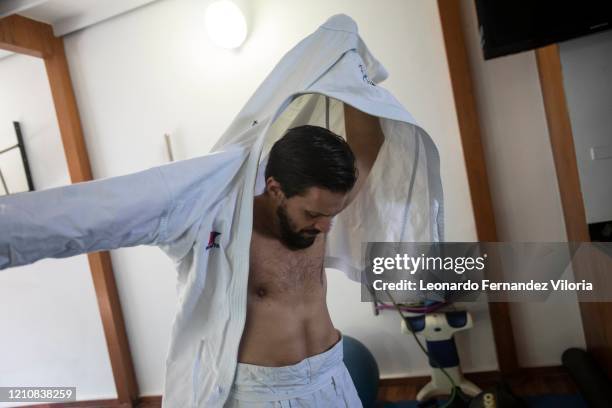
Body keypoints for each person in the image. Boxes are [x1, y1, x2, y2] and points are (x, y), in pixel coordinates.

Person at [227, 103, 384, 407]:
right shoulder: (230, 229)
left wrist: (347, 66)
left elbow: (366, 147)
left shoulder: (321, 206)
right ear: (275, 190)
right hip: (267, 392)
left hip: (333, 375)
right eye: (313, 214)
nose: (324, 227)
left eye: (331, 216)